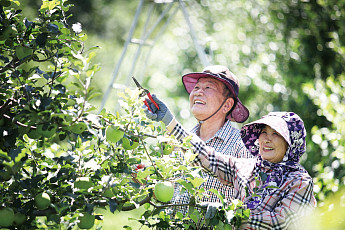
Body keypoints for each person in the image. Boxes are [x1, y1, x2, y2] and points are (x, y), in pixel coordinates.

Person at [146, 102, 317, 228]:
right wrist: (169, 121)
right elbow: (205, 155)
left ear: (291, 143)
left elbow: (280, 223)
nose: (266, 139)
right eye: (263, 132)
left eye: (275, 134)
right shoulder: (247, 168)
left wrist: (229, 213)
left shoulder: (299, 181)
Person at [144, 65, 252, 216]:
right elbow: (168, 198)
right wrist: (146, 182)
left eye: (208, 87)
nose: (198, 92)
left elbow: (248, 205)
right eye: (196, 87)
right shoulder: (176, 143)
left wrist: (169, 120)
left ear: (227, 105)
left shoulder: (242, 146)